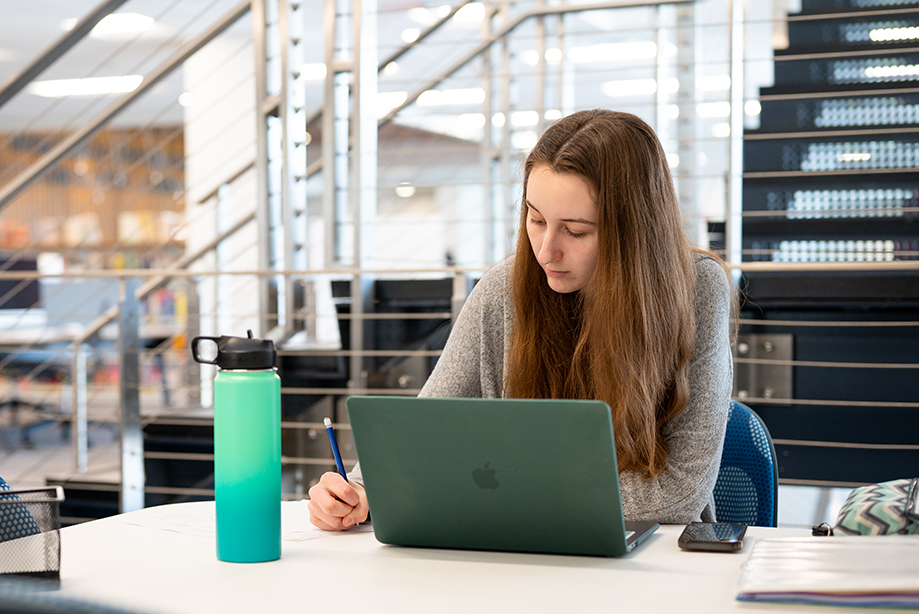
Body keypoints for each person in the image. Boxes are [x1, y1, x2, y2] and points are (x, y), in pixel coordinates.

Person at [307, 109, 733, 531]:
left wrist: (505, 494)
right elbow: (424, 436)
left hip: (656, 559)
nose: (546, 250)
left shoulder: (697, 289)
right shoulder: (503, 289)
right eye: (536, 219)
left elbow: (679, 492)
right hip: (521, 545)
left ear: (633, 231)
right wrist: (362, 491)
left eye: (576, 230)